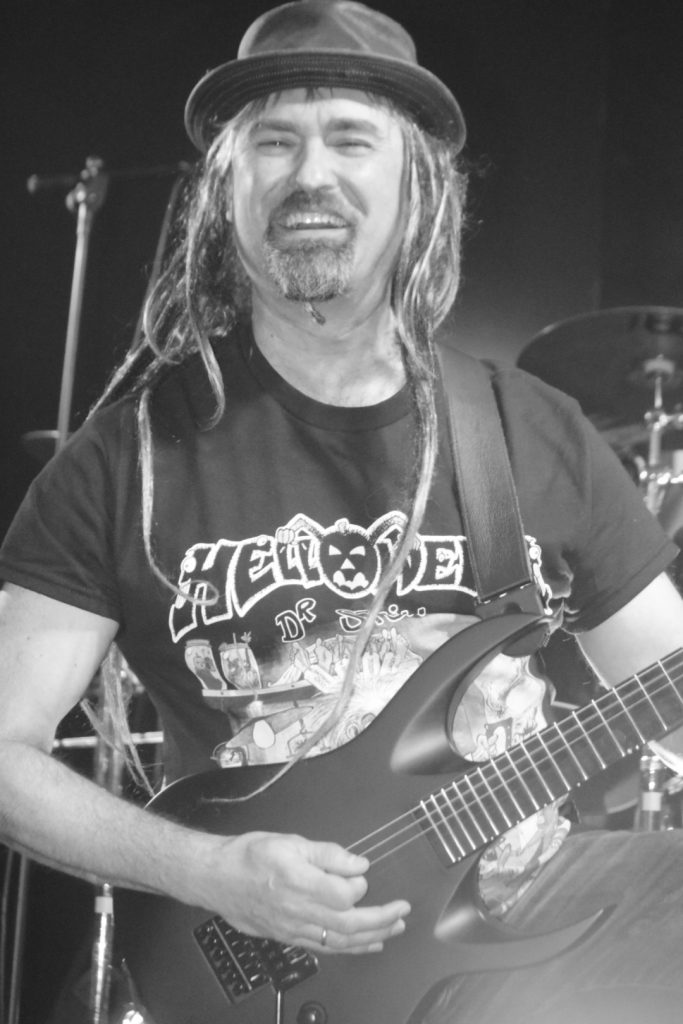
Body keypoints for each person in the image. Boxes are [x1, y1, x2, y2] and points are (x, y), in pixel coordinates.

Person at [1, 2, 683, 1022]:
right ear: (226, 189)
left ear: (418, 185)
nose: (308, 174)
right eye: (273, 141)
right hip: (265, 974)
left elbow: (664, 685)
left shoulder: (528, 431)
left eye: (350, 139)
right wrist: (207, 870)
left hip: (521, 961)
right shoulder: (124, 459)